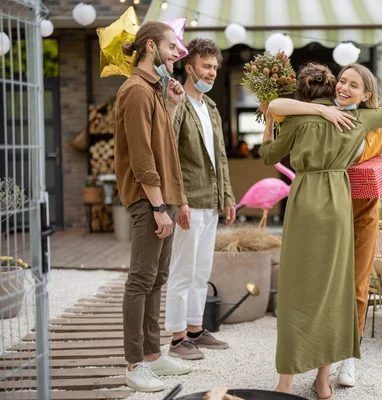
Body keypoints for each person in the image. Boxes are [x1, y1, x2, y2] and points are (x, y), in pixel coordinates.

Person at [268, 63, 382, 388]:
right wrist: (321, 112)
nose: (344, 87)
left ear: (366, 94)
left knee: (356, 283)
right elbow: (279, 109)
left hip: (362, 208)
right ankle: (320, 368)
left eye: (354, 84)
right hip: (334, 202)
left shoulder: (374, 122)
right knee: (322, 283)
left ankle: (347, 356)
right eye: (343, 81)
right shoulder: (327, 115)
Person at [115, 21, 191, 392]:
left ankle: (151, 354)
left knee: (157, 278)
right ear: (149, 47)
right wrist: (159, 207)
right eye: (171, 46)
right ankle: (134, 363)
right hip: (151, 201)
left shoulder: (154, 92)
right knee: (141, 279)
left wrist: (173, 106)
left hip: (165, 198)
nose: (177, 52)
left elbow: (163, 146)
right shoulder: (135, 91)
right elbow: (142, 157)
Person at [165, 38, 236, 360]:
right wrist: (178, 201)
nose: (211, 73)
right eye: (206, 67)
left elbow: (219, 156)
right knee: (182, 270)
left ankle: (195, 329)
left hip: (210, 200)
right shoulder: (178, 103)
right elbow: (169, 153)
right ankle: (178, 339)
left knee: (201, 269)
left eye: (215, 68)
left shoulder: (210, 107)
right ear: (189, 67)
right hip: (188, 199)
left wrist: (228, 197)